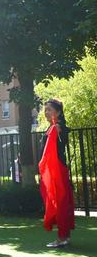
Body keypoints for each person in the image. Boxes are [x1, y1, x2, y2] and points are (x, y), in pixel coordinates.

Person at [39, 99, 74, 248]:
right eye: (45, 109)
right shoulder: (53, 126)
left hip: (57, 169)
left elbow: (53, 149)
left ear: (58, 112)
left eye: (49, 109)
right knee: (58, 202)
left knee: (60, 203)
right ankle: (63, 236)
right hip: (55, 169)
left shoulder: (58, 127)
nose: (46, 112)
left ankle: (63, 237)